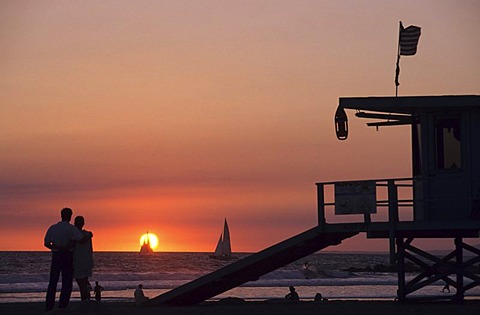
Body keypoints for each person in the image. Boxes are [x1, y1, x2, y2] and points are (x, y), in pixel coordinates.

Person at [44, 207, 91, 311]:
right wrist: (89, 235)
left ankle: (49, 305)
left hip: (56, 256)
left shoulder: (53, 228)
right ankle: (63, 305)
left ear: (61, 215)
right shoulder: (71, 229)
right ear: (70, 216)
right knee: (66, 282)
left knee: (53, 281)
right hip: (67, 255)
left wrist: (56, 247)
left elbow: (46, 243)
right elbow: (81, 239)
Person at [73, 216, 94, 301]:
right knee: (84, 281)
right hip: (87, 261)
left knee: (81, 282)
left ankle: (84, 298)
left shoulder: (74, 235)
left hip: (78, 262)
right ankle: (86, 297)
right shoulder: (87, 234)